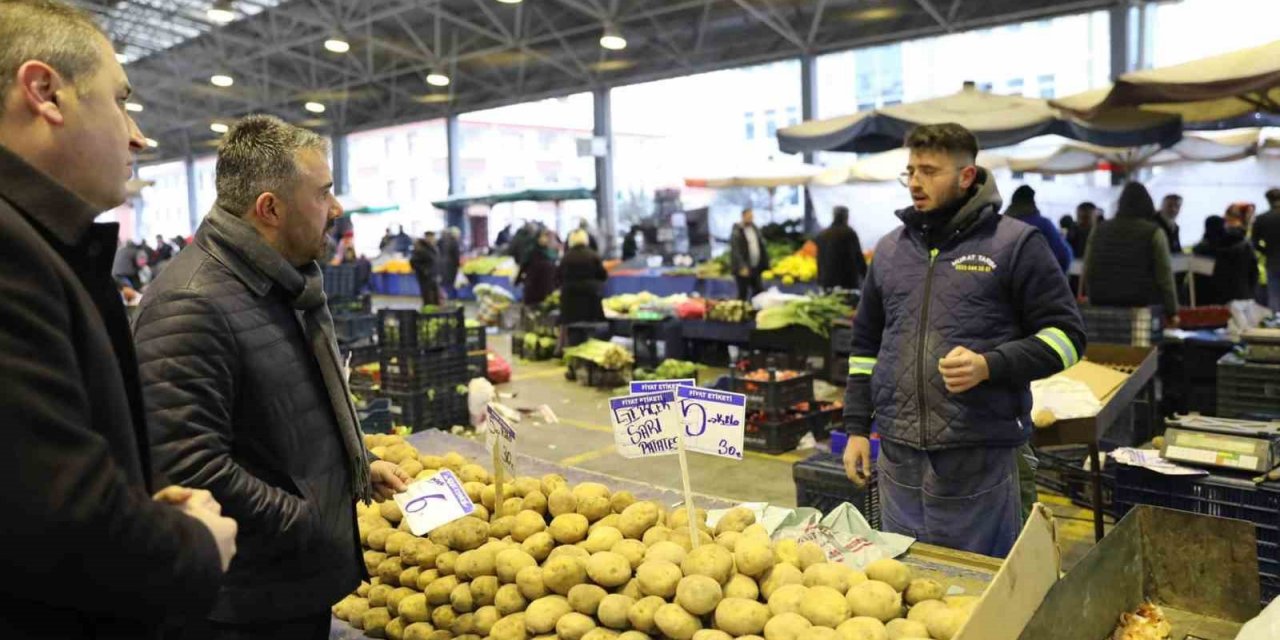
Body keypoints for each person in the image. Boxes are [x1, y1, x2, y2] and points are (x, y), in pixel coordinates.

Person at [0, 1, 236, 637]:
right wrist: (194, 543)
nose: (137, 136)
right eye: (120, 101)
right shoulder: (11, 255)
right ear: (44, 92)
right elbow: (57, 519)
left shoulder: (46, 247)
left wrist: (140, 498)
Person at [132, 115, 410, 640]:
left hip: (287, 584)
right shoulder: (191, 303)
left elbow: (277, 414)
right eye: (323, 193)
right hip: (246, 604)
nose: (336, 209)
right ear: (270, 208)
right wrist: (307, 518)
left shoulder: (276, 281)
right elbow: (184, 464)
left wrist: (349, 468)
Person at [841, 123, 1085, 558]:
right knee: (906, 577)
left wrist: (991, 364)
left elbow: (1068, 337)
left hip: (980, 455)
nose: (916, 182)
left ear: (967, 176)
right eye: (911, 170)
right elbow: (865, 348)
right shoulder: (891, 250)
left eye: (930, 171)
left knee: (982, 586)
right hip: (898, 456)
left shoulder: (1015, 244)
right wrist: (857, 428)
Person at [1083, 182, 1179, 323]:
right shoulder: (1154, 232)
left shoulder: (1098, 230)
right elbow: (1165, 278)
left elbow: (1089, 270)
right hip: (1142, 310)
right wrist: (1172, 312)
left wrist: (1093, 298)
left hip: (1102, 305)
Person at [1003, 185, 1073, 272]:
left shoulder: (1001, 224)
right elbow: (1064, 256)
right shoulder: (1043, 225)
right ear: (1032, 202)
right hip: (1037, 279)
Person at [1192, 212, 1258, 305]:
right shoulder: (1243, 245)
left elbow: (1197, 279)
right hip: (1241, 298)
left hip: (1211, 301)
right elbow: (1253, 272)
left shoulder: (1201, 250)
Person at [559, 229, 608, 324]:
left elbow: (558, 277)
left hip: (570, 300)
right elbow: (603, 275)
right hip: (591, 298)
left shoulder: (565, 258)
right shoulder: (593, 255)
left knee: (572, 328)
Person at [815, 205, 867, 290]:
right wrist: (866, 276)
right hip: (847, 284)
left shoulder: (823, 235)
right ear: (846, 217)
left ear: (833, 216)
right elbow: (858, 258)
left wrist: (820, 281)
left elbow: (819, 260)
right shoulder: (849, 233)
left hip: (826, 282)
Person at [730, 208, 768, 301]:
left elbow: (760, 245)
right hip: (743, 268)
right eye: (749, 216)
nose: (751, 218)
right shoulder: (737, 231)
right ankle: (741, 311)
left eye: (752, 216)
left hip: (755, 266)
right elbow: (736, 251)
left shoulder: (755, 229)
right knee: (743, 292)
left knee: (758, 290)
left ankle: (755, 310)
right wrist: (742, 266)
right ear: (743, 216)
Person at [1254, 188, 1280, 311]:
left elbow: (1254, 242)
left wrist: (1266, 251)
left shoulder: (1262, 218)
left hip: (1272, 260)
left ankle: (1275, 322)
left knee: (1274, 294)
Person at [517, 229, 558, 308]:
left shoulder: (551, 254)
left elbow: (523, 267)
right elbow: (523, 267)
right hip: (539, 289)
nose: (545, 239)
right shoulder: (534, 252)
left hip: (541, 288)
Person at [411, 230, 441, 307]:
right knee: (428, 298)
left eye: (433, 237)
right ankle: (428, 314)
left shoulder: (433, 248)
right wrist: (424, 271)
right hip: (425, 278)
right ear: (427, 238)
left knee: (436, 298)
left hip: (433, 277)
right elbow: (413, 262)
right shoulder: (420, 249)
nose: (432, 239)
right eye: (430, 237)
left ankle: (435, 314)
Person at [439, 226, 462, 300]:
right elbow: (456, 256)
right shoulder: (454, 242)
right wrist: (459, 266)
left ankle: (447, 298)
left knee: (446, 285)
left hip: (444, 267)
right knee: (452, 285)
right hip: (451, 267)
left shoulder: (444, 241)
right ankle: (453, 299)